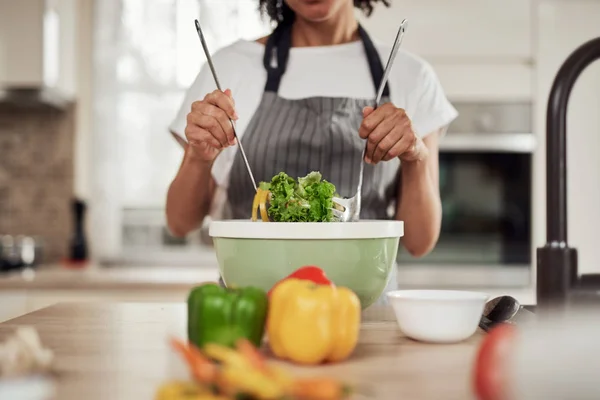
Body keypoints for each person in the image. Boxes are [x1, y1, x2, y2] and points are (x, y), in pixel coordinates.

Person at [166, 0, 458, 301]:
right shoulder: (231, 67)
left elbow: (419, 242)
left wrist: (415, 157)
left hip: (366, 312)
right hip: (252, 309)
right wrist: (197, 157)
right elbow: (179, 222)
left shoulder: (411, 75)